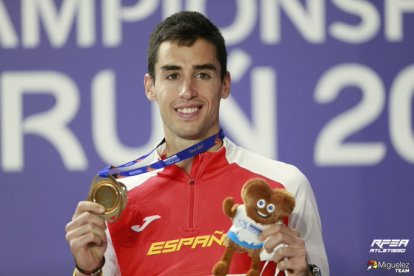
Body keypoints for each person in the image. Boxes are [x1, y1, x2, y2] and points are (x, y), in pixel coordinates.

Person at [65, 11, 329, 276]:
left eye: (202, 74)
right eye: (172, 76)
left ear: (225, 84)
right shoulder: (119, 202)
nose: (187, 91)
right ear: (150, 87)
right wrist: (87, 270)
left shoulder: (285, 186)